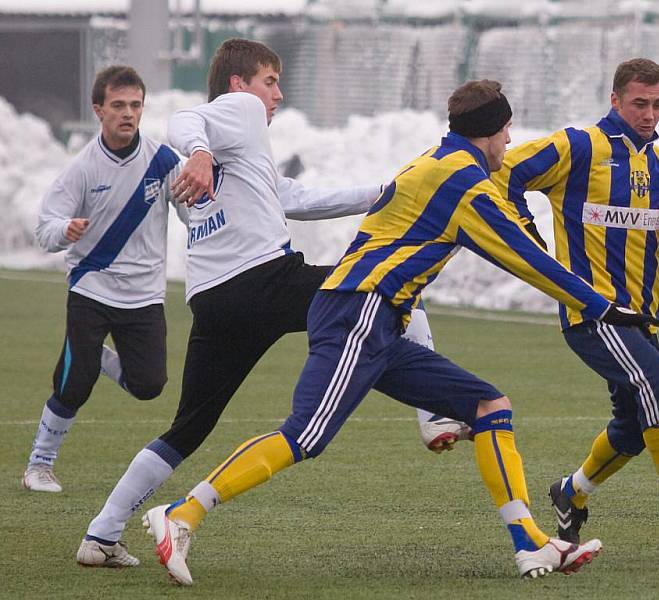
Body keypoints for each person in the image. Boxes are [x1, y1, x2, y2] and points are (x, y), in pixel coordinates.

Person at [141, 79, 659, 586]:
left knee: (489, 407)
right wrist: (603, 307)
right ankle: (182, 513)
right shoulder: (465, 183)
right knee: (305, 435)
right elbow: (523, 259)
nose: (510, 142)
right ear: (489, 132)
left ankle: (528, 542)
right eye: (507, 132)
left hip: (382, 317)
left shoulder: (435, 161)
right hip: (359, 312)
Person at [76, 38, 437, 568]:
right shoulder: (236, 115)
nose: (278, 94)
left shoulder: (241, 158)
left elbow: (299, 200)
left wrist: (384, 192)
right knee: (396, 286)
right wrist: (198, 150)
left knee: (189, 426)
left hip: (215, 301)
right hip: (265, 280)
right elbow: (181, 119)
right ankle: (436, 414)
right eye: (270, 81)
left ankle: (100, 535)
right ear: (239, 86)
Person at [491, 58, 659, 546]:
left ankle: (570, 492)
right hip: (592, 313)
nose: (650, 114)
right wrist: (527, 236)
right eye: (640, 103)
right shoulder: (578, 146)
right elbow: (501, 171)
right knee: (657, 384)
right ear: (615, 100)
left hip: (640, 319)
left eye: (658, 104)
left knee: (636, 426)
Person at [24, 66, 188, 496]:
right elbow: (45, 230)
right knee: (73, 384)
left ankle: (91, 354)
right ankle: (40, 463)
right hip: (91, 287)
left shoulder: (163, 160)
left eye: (135, 105)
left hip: (144, 295)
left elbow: (195, 212)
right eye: (118, 105)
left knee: (149, 387)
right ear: (99, 110)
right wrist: (66, 230)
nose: (128, 113)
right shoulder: (81, 168)